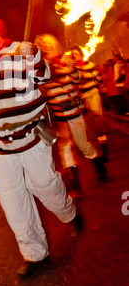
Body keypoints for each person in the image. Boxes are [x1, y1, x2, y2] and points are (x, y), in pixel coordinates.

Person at [0, 12, 81, 280]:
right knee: (12, 201)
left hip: (33, 134)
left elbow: (47, 75)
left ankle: (69, 213)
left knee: (45, 185)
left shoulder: (18, 49)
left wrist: (35, 54)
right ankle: (34, 254)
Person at [35, 35, 107, 192]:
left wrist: (72, 69)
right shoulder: (39, 67)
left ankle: (98, 164)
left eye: (48, 43)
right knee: (65, 146)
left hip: (74, 112)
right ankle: (74, 181)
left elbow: (76, 84)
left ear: (54, 45)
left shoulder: (64, 61)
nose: (45, 46)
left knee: (83, 146)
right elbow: (40, 91)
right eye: (42, 44)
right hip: (58, 115)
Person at [70, 45, 108, 163]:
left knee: (97, 123)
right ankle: (94, 153)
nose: (74, 57)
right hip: (81, 100)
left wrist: (95, 86)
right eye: (72, 55)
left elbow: (98, 79)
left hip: (92, 96)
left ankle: (103, 152)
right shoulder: (71, 69)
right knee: (86, 127)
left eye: (76, 54)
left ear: (81, 55)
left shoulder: (89, 65)